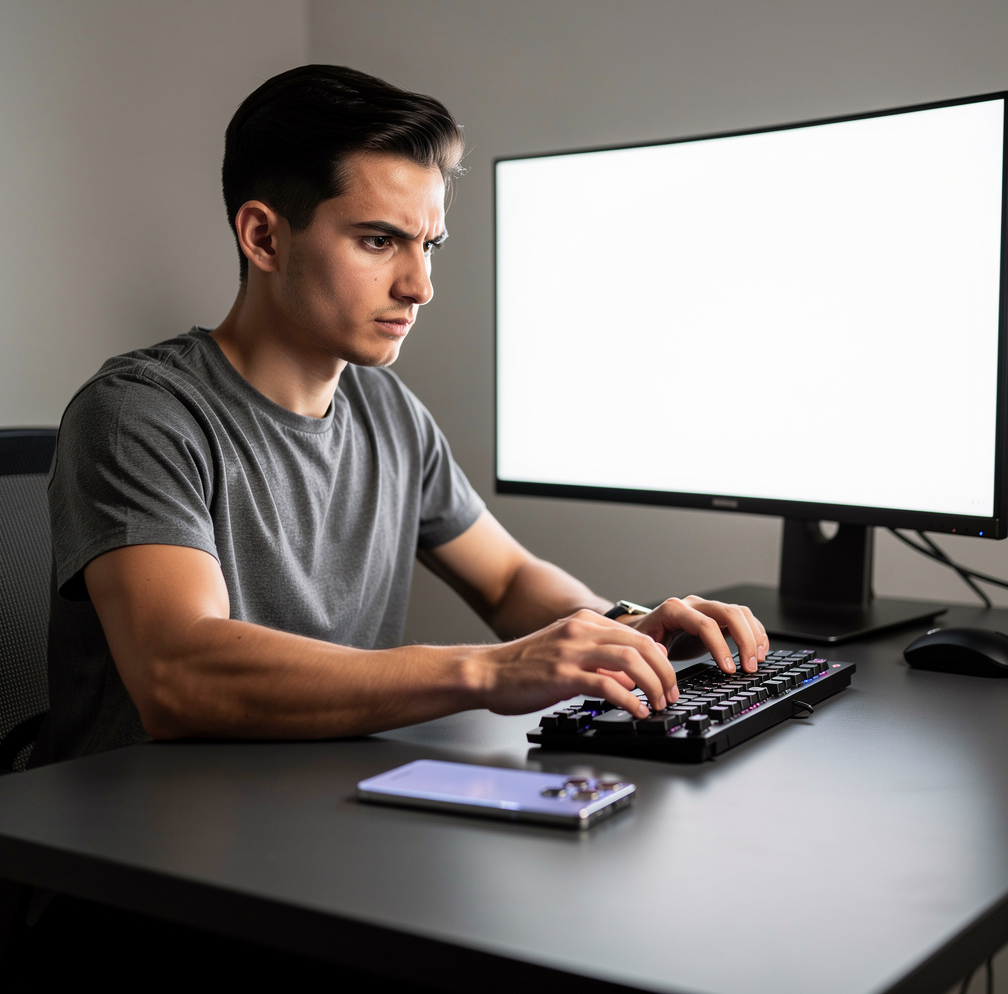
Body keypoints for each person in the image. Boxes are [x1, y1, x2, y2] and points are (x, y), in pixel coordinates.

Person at [32, 64, 768, 768]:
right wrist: (487, 672)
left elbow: (509, 580)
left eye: (429, 246)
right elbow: (176, 675)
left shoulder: (385, 409)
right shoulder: (139, 413)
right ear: (263, 237)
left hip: (320, 811)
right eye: (379, 241)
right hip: (140, 853)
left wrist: (624, 629)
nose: (420, 287)